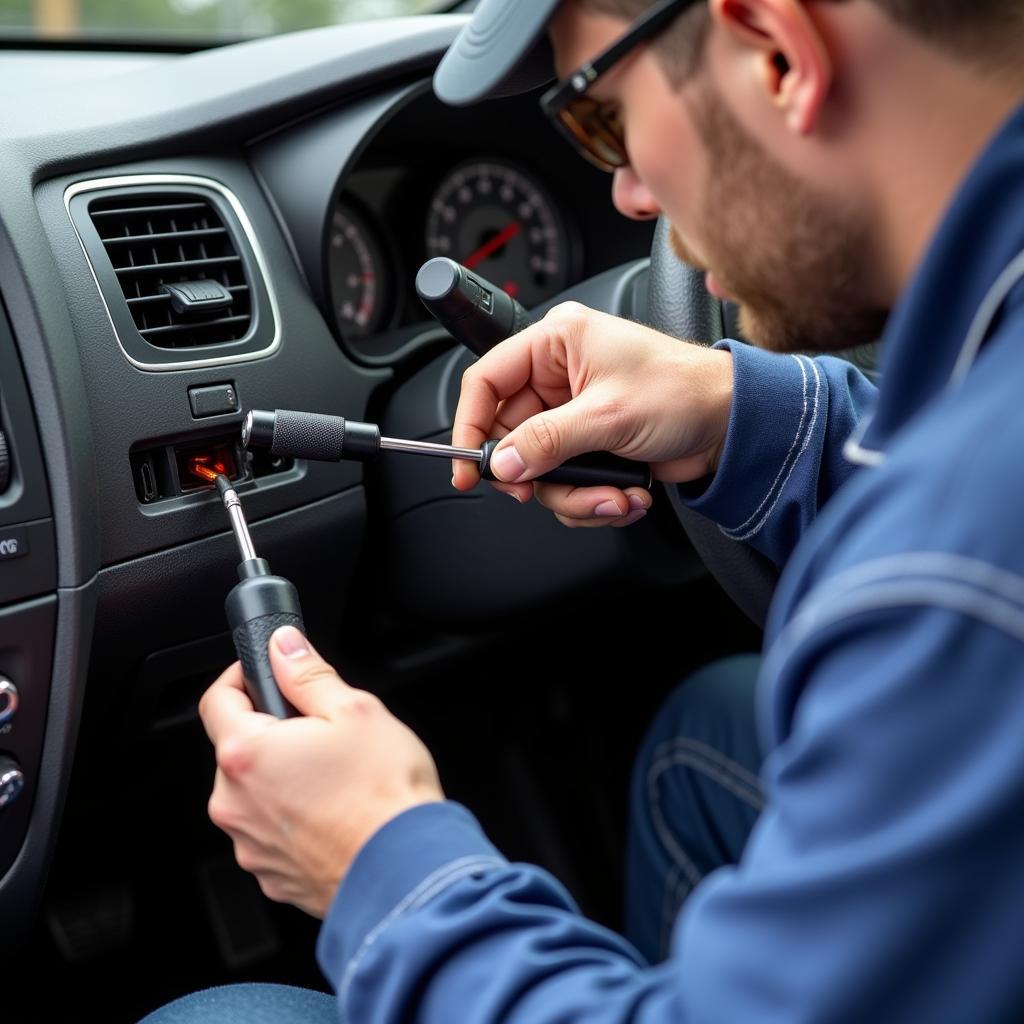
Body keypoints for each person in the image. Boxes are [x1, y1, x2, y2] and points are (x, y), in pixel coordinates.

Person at [140, 0, 1024, 1020]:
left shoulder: (949, 578)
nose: (630, 193)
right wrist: (741, 417)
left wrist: (381, 862)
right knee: (705, 731)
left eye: (603, 118)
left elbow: (956, 564)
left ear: (777, 53)